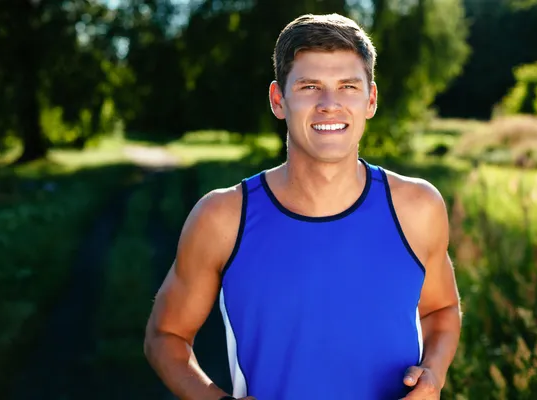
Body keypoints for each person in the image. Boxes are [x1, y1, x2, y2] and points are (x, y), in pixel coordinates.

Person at [144, 13, 461, 400]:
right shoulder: (224, 217)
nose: (330, 104)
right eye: (310, 86)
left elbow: (441, 310)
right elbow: (166, 336)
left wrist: (434, 374)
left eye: (347, 86)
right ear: (279, 100)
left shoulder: (417, 207)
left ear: (371, 100)